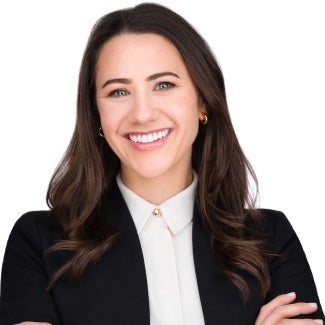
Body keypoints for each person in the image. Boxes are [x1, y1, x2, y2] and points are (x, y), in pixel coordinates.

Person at [0, 2, 324, 325]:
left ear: (202, 101)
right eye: (117, 92)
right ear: (97, 115)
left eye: (163, 85)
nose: (142, 113)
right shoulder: (39, 245)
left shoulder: (270, 241)